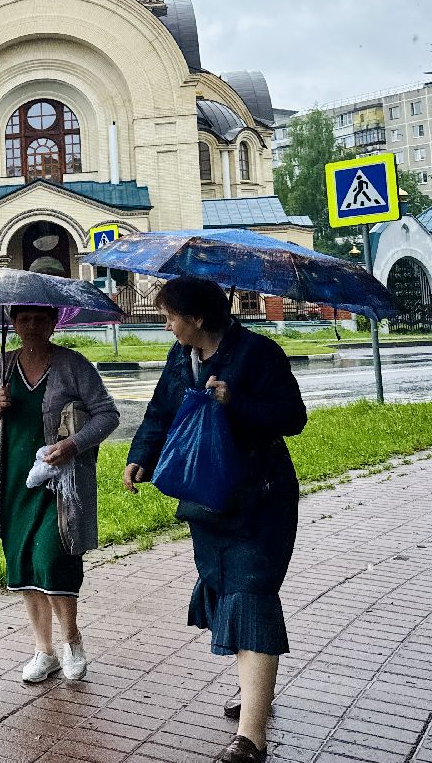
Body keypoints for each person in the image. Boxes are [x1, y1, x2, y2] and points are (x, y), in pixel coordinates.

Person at [123, 277, 307, 763]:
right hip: (206, 501)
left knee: (252, 595)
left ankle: (251, 739)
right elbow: (160, 412)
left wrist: (235, 403)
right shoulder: (180, 359)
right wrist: (140, 456)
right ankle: (254, 692)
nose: (166, 325)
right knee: (225, 589)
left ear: (197, 318)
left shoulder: (259, 353)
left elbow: (292, 417)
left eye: (170, 316)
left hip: (258, 499)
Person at [0, 304, 120, 684]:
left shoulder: (73, 365)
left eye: (40, 319)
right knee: (24, 563)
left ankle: (71, 640)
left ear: (53, 322)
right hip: (14, 481)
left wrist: (74, 445)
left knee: (54, 558)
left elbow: (108, 415)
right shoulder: (3, 364)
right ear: (13, 323)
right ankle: (44, 652)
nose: (31, 326)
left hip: (60, 483)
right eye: (23, 319)